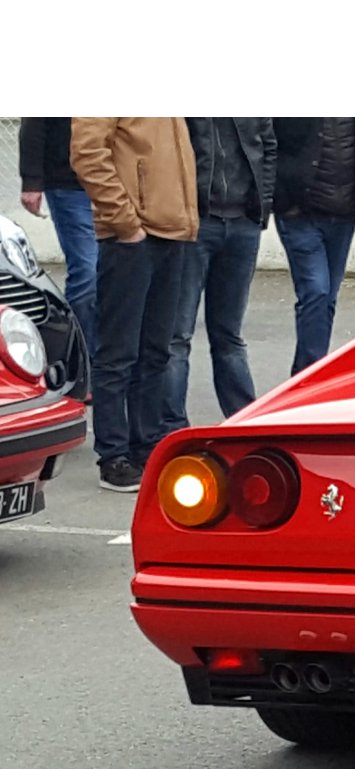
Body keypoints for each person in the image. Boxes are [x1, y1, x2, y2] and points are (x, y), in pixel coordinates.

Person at [71, 118, 197, 493]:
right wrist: (126, 224)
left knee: (155, 350)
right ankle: (113, 455)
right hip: (131, 238)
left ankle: (147, 446)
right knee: (118, 352)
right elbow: (88, 153)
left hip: (172, 232)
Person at [162, 119, 276, 434]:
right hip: (196, 224)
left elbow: (267, 147)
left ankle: (244, 421)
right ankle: (173, 428)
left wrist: (260, 210)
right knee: (178, 335)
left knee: (228, 334)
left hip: (243, 224)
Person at [273, 118, 355, 375]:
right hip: (301, 216)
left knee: (326, 298)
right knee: (316, 292)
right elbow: (269, 144)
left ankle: (304, 374)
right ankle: (312, 377)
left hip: (342, 216)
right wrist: (284, 200)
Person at [18, 118, 99, 356]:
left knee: (114, 275)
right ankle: (80, 356)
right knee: (88, 273)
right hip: (69, 185)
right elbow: (35, 123)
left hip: (116, 182)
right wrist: (31, 180)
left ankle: (105, 361)